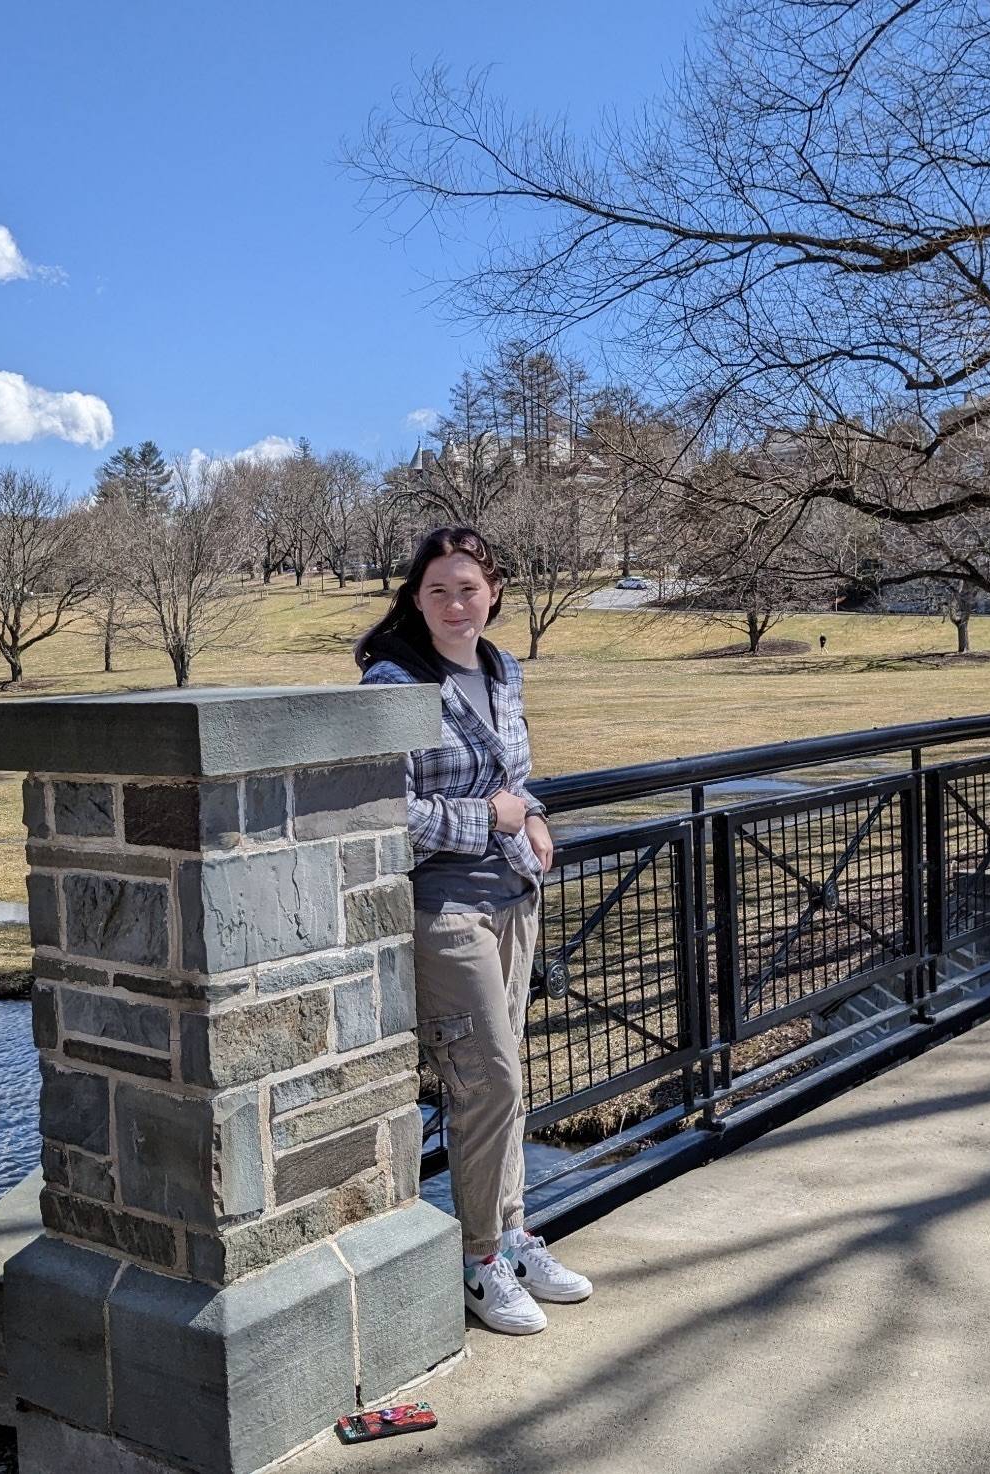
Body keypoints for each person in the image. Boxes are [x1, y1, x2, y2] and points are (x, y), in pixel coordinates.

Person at [354, 526, 595, 1335]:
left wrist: (533, 817)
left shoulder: (502, 668)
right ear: (414, 600)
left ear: (494, 588)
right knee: (485, 1077)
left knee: (508, 1076)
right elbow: (386, 811)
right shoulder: (394, 683)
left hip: (513, 895)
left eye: (469, 588)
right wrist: (486, 817)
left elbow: (514, 776)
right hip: (443, 908)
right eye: (438, 591)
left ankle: (516, 1234)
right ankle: (479, 1259)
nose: (456, 604)